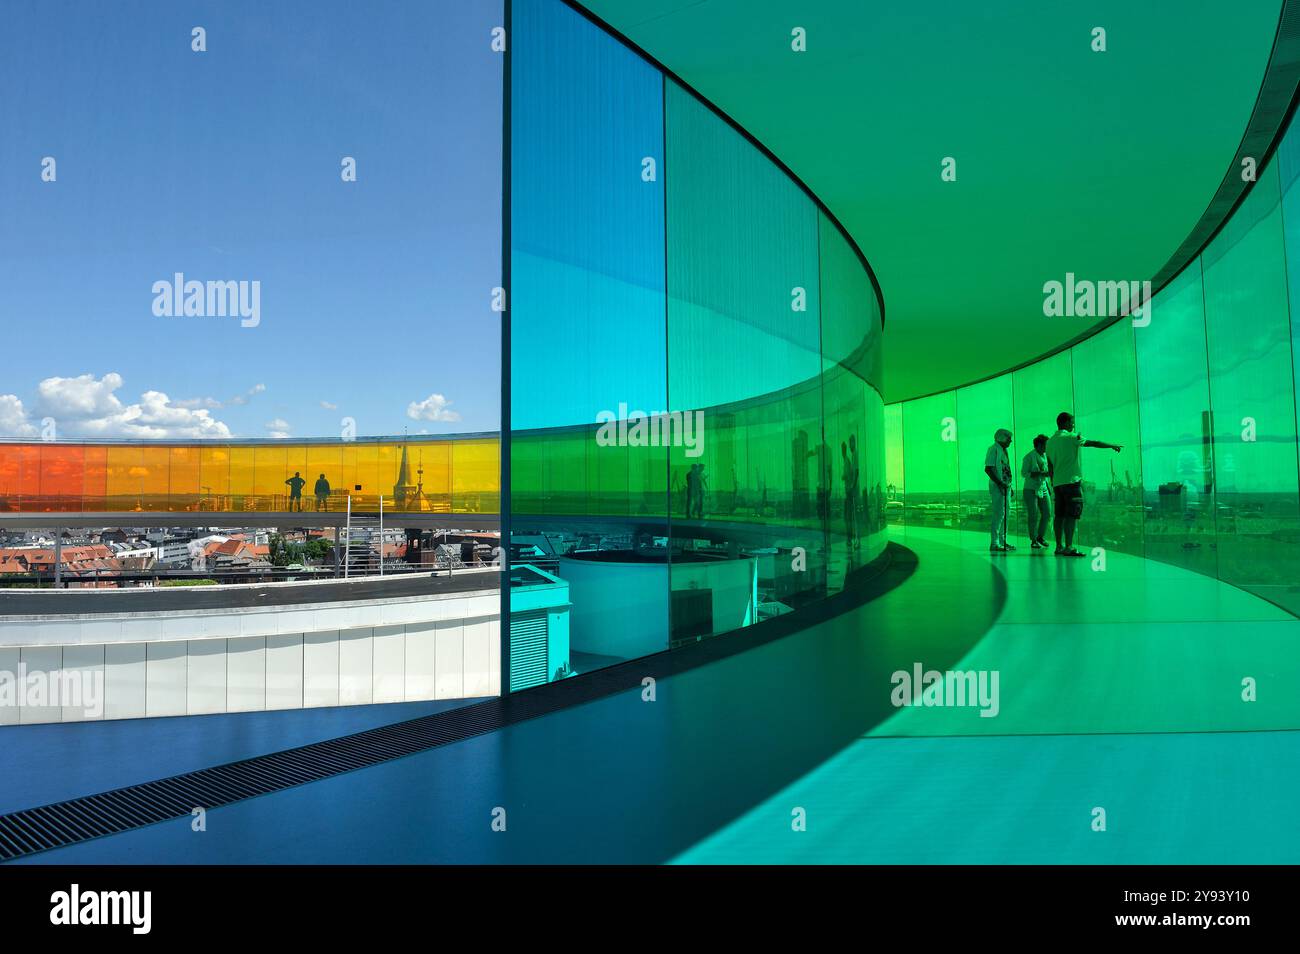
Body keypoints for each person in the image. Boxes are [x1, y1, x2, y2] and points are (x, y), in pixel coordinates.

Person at [1046, 412, 1122, 557]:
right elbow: (1094, 443)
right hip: (1071, 482)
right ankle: (1069, 547)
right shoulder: (1072, 437)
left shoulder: (1050, 442)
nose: (1073, 425)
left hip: (1057, 483)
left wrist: (1053, 482)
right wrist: (1112, 445)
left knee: (1059, 515)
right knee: (1072, 515)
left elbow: (1050, 465)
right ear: (1065, 423)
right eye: (1072, 423)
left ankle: (1059, 546)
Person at [983, 428, 1014, 551]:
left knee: (1006, 514)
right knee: (999, 514)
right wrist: (1000, 483)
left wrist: (1009, 486)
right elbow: (988, 468)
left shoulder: (1003, 450)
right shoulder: (994, 449)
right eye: (1008, 438)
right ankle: (995, 543)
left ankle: (1002, 541)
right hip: (998, 487)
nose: (1010, 441)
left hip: (1005, 486)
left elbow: (1005, 469)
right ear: (1001, 437)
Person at [1021, 435, 1052, 549]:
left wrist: (1047, 487)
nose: (1047, 447)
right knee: (1033, 514)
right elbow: (1024, 473)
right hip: (1030, 489)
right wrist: (1040, 474)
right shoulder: (1029, 457)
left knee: (1047, 513)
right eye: (1046, 445)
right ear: (1039, 445)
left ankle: (1040, 536)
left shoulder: (1046, 456)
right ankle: (1033, 539)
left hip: (1043, 487)